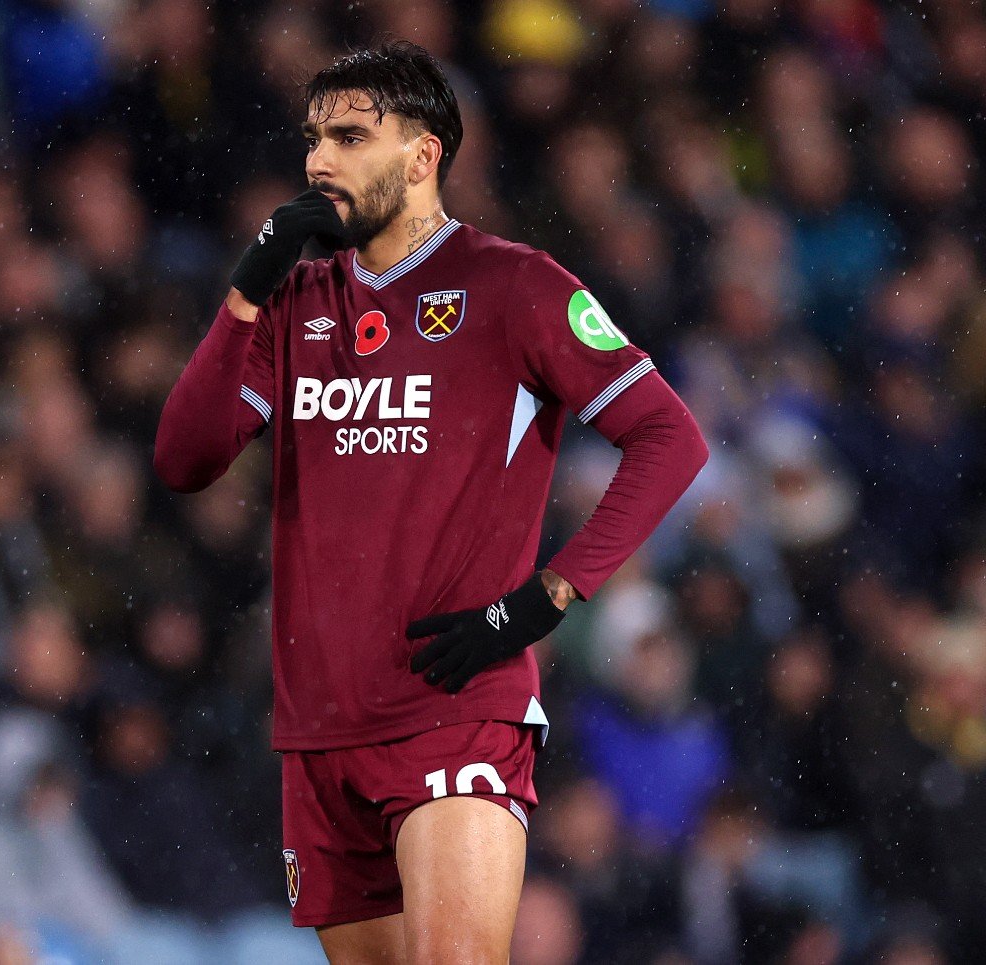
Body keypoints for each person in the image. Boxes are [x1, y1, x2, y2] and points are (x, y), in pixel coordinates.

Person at [154, 41, 708, 964]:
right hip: (320, 729)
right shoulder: (294, 303)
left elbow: (670, 437)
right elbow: (184, 457)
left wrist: (549, 594)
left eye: (348, 136)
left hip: (456, 706)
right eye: (312, 139)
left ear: (423, 156)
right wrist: (248, 289)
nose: (318, 161)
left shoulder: (514, 285)